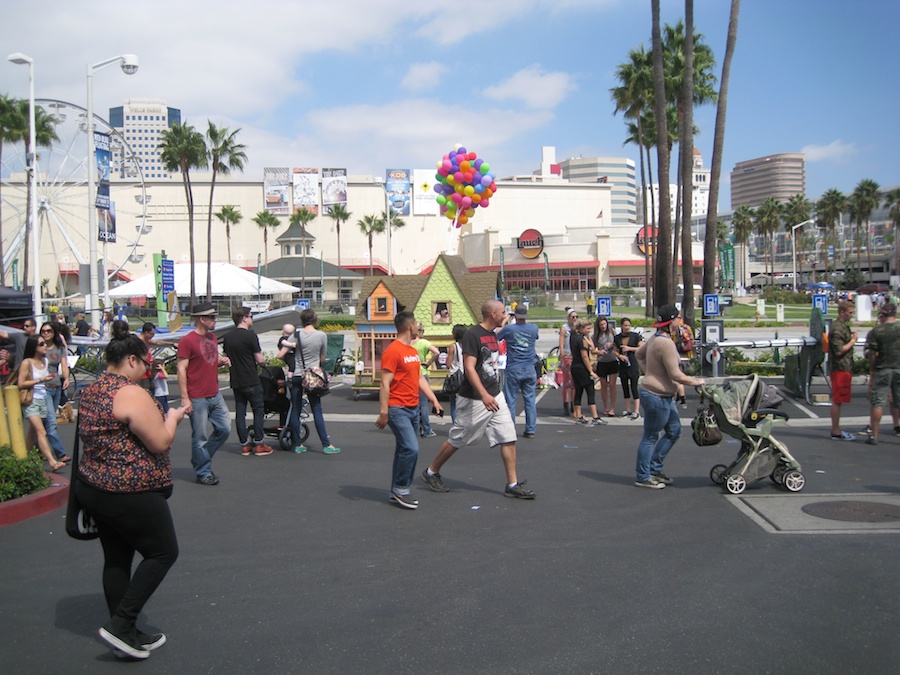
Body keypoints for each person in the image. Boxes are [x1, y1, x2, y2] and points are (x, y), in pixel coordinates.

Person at [74, 320, 188, 660]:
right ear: (133, 360)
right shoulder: (128, 392)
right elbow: (160, 442)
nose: (148, 370)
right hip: (129, 490)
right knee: (163, 552)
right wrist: (173, 418)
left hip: (94, 486)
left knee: (117, 558)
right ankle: (121, 624)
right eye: (147, 363)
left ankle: (126, 634)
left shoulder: (93, 390)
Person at [421, 299, 535, 499]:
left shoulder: (492, 334)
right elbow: (469, 368)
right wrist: (483, 394)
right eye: (502, 312)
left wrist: (491, 393)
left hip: (494, 395)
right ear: (493, 314)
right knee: (459, 437)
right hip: (474, 398)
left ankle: (512, 484)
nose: (505, 315)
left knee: (508, 436)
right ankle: (431, 472)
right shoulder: (473, 335)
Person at [375, 311, 443, 509]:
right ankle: (401, 490)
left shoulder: (412, 352)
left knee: (403, 450)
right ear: (410, 327)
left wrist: (434, 400)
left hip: (413, 408)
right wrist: (384, 412)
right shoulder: (392, 351)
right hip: (398, 409)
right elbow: (384, 384)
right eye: (416, 324)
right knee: (411, 448)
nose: (418, 328)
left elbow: (419, 379)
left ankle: (396, 489)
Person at [633, 304, 705, 489]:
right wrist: (696, 382)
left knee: (674, 431)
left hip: (663, 395)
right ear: (672, 321)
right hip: (656, 395)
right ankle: (643, 475)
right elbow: (676, 375)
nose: (680, 321)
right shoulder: (665, 343)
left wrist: (649, 372)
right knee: (650, 436)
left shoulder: (655, 338)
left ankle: (655, 469)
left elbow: (639, 355)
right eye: (678, 318)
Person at [177, 303, 232, 485]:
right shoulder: (188, 341)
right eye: (212, 318)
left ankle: (201, 459)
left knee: (224, 429)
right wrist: (185, 398)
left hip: (214, 393)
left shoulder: (212, 338)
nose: (216, 321)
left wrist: (220, 362)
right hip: (197, 396)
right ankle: (203, 472)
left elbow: (208, 361)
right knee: (199, 436)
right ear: (202, 319)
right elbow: (181, 369)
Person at [223, 307, 273, 456]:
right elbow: (259, 359)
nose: (252, 319)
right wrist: (264, 365)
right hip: (251, 378)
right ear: (244, 318)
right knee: (258, 410)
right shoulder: (250, 336)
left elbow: (226, 357)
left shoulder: (228, 337)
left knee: (240, 412)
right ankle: (259, 443)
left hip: (236, 379)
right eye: (251, 316)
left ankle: (244, 444)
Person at [290, 308, 340, 454]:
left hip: (298, 374)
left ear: (302, 320)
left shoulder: (296, 334)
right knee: (316, 409)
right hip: (312, 376)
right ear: (315, 320)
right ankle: (326, 444)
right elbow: (322, 358)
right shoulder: (321, 335)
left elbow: (284, 349)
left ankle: (297, 444)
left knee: (295, 409)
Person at [16, 336, 66, 471]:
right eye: (42, 344)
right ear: (34, 347)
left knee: (33, 433)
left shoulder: (45, 361)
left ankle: (22, 458)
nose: (45, 346)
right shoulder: (27, 363)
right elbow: (21, 383)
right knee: (41, 431)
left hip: (42, 399)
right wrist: (40, 380)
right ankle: (52, 461)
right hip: (30, 400)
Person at [497, 304, 539, 438]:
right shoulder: (533, 328)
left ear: (514, 315)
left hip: (514, 367)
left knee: (511, 400)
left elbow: (497, 336)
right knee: (530, 400)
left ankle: (510, 429)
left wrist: (504, 321)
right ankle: (530, 429)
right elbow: (535, 337)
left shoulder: (509, 329)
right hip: (529, 367)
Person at [863, 302, 900, 446]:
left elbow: (872, 354)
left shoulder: (876, 331)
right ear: (895, 314)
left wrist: (872, 370)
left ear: (883, 314)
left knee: (878, 403)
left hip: (882, 369)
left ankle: (874, 435)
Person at [39, 322, 71, 459]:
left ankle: (38, 448)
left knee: (44, 421)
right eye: (43, 331)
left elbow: (64, 365)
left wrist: (66, 378)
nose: (46, 333)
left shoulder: (59, 348)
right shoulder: (40, 348)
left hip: (56, 387)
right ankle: (60, 453)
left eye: (49, 331)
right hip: (43, 388)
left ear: (54, 333)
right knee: (51, 421)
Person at [829, 300, 858, 441]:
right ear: (842, 312)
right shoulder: (837, 328)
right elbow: (839, 350)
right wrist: (853, 341)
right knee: (837, 399)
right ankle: (835, 431)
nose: (852, 315)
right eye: (850, 313)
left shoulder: (842, 327)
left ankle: (836, 429)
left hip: (844, 367)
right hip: (840, 367)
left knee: (839, 399)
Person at [570, 318, 605, 425]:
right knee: (590, 391)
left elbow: (591, 349)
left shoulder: (573, 337)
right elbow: (585, 356)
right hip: (582, 368)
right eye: (587, 328)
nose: (589, 330)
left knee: (578, 391)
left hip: (574, 366)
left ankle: (578, 416)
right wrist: (591, 371)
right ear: (581, 328)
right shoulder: (582, 340)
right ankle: (595, 416)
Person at [413, 322, 440, 438]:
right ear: (419, 332)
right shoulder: (423, 342)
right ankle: (426, 429)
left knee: (413, 403)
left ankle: (415, 428)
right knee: (423, 404)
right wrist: (428, 363)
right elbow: (437, 352)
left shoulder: (408, 343)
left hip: (411, 374)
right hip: (422, 373)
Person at [615, 317, 643, 420]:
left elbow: (641, 347)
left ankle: (636, 410)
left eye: (628, 325)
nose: (627, 327)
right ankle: (628, 409)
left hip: (633, 363)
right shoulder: (617, 338)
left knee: (634, 387)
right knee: (625, 387)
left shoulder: (635, 336)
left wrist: (630, 348)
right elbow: (615, 350)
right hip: (623, 365)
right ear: (621, 326)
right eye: (625, 325)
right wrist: (620, 356)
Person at [593, 316, 619, 416]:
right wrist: (599, 351)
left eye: (604, 324)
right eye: (601, 325)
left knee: (612, 385)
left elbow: (618, 343)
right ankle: (606, 407)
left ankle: (612, 408)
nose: (603, 326)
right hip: (602, 361)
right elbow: (592, 348)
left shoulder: (612, 331)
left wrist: (612, 345)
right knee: (603, 386)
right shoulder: (596, 335)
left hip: (612, 360)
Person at [446, 323, 467, 424]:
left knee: (454, 403)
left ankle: (456, 424)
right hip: (466, 375)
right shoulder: (468, 345)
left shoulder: (453, 346)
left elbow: (448, 363)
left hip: (455, 376)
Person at [558, 309, 577, 417]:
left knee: (574, 383)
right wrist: (562, 356)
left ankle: (573, 404)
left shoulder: (576, 328)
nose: (574, 319)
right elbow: (561, 344)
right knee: (566, 382)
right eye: (572, 317)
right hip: (567, 355)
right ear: (568, 318)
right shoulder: (564, 328)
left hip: (575, 357)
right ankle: (565, 403)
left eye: (576, 317)